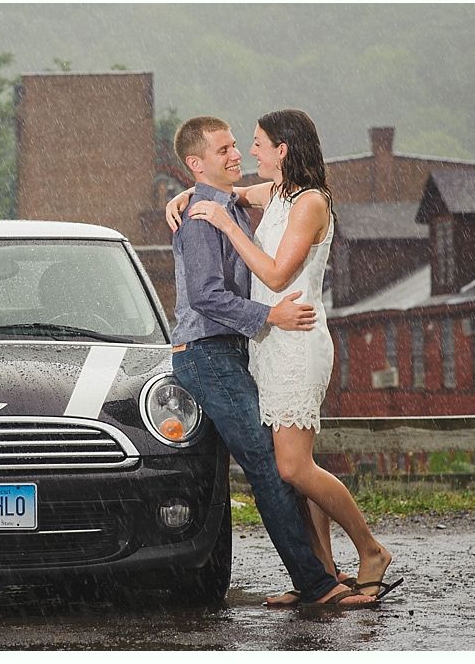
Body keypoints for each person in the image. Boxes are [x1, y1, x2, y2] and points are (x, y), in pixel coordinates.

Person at [167, 110, 400, 604]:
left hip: (296, 336)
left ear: (283, 150)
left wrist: (227, 227)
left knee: (292, 468)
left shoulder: (311, 202)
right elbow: (224, 195)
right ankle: (324, 572)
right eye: (233, 147)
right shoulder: (275, 194)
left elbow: (274, 277)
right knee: (293, 462)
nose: (247, 154)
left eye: (255, 144)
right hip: (267, 345)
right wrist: (186, 195)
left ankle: (370, 550)